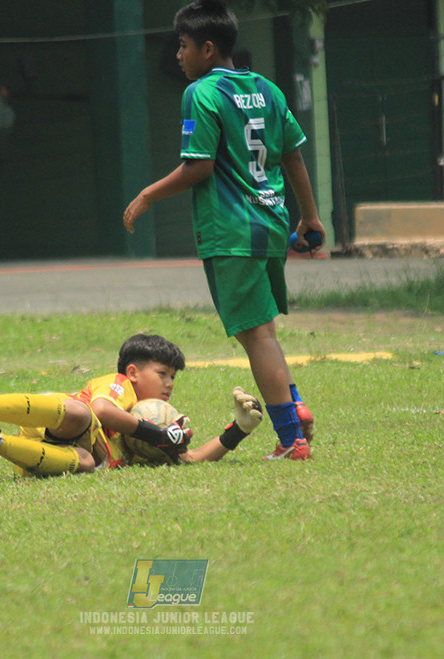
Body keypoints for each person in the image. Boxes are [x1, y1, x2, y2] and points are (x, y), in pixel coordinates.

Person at [123, 0, 323, 461]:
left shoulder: (201, 92)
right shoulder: (267, 89)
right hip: (271, 223)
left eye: (184, 45)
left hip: (232, 230)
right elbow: (292, 153)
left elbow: (199, 167)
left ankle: (291, 437)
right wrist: (309, 216)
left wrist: (149, 195)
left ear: (208, 49)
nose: (178, 54)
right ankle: (294, 405)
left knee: (257, 336)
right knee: (263, 330)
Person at [0, 333, 264, 476]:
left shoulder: (150, 424)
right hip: (53, 418)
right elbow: (101, 412)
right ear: (133, 372)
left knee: (86, 462)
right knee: (81, 414)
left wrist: (239, 430)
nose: (169, 384)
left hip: (41, 456)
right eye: (163, 374)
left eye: (173, 378)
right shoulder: (119, 385)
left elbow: (189, 459)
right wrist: (158, 434)